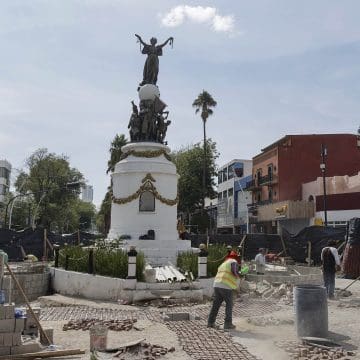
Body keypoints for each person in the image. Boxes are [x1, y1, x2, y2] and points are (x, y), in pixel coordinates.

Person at [207, 251, 240, 330]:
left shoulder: (223, 263)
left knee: (216, 305)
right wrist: (240, 275)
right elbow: (234, 271)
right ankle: (228, 324)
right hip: (226, 286)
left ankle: (210, 322)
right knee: (229, 304)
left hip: (217, 285)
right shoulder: (233, 261)